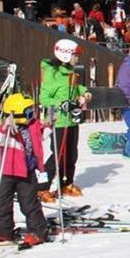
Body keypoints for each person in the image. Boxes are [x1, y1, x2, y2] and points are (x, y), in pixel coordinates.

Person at [0, 93, 50, 248]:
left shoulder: (33, 126)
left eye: (32, 111)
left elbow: (43, 135)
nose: (32, 115)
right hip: (8, 171)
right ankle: (2, 229)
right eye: (29, 113)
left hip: (26, 173)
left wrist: (49, 124)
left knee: (29, 203)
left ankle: (37, 231)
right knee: (1, 202)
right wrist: (5, 127)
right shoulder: (8, 132)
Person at [39, 38, 90, 202]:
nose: (78, 58)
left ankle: (65, 184)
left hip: (72, 120)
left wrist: (85, 92)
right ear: (66, 55)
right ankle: (42, 188)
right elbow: (44, 98)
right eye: (75, 55)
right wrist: (61, 104)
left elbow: (75, 89)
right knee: (58, 156)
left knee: (71, 154)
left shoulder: (70, 72)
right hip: (59, 121)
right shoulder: (53, 74)